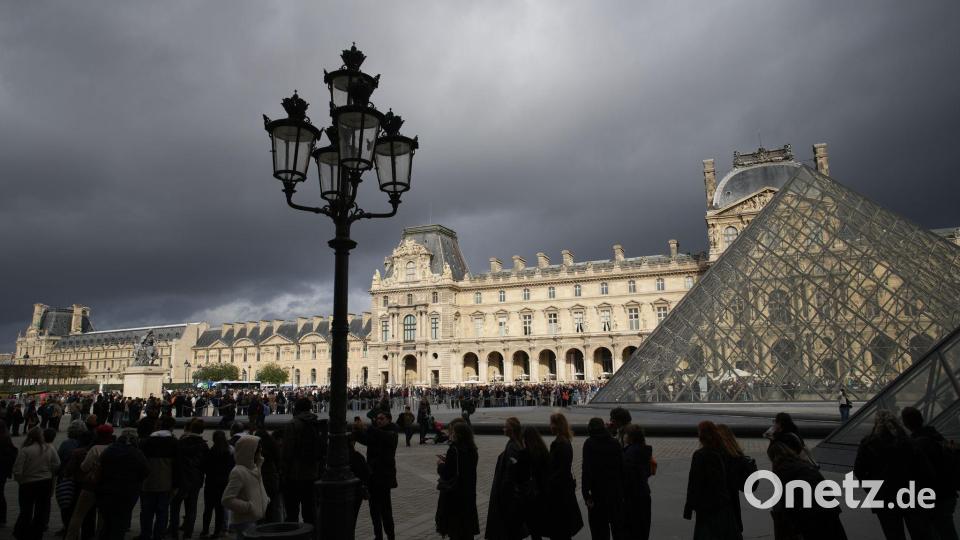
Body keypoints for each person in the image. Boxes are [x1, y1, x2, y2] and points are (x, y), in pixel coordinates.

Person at [855, 410, 937, 540]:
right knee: (920, 533)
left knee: (893, 535)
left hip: (884, 498)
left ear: (876, 424)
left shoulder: (868, 444)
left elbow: (859, 472)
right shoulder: (909, 442)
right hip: (911, 495)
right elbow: (925, 470)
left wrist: (872, 490)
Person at [768, 434, 847, 539]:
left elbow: (789, 504)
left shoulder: (783, 471)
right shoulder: (803, 464)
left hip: (812, 517)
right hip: (828, 511)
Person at [901, 406, 959, 540]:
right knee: (947, 530)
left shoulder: (914, 445)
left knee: (933, 531)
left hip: (929, 495)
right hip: (948, 492)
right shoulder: (937, 437)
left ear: (906, 424)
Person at [683, 421, 740, 540]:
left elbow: (694, 483)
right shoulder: (723, 452)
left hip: (706, 506)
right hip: (723, 504)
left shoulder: (700, 455)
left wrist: (689, 508)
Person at [96, 429, 149, 540]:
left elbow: (100, 466)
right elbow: (145, 471)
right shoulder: (136, 453)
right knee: (120, 524)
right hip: (127, 492)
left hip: (107, 490)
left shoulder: (110, 450)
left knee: (107, 523)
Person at [356, 411, 399, 540]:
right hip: (372, 477)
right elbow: (366, 440)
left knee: (386, 510)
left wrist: (368, 428)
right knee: (373, 510)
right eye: (377, 419)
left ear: (389, 420)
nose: (378, 420)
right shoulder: (376, 432)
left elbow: (385, 436)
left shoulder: (392, 431)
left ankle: (391, 536)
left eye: (382, 418)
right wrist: (357, 432)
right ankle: (378, 536)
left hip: (384, 477)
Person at [281, 397, 324, 525]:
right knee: (310, 512)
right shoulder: (316, 422)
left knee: (292, 512)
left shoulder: (292, 424)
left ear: (297, 408)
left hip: (294, 474)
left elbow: (287, 451)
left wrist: (283, 471)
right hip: (312, 473)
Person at [435, 418, 480, 540]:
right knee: (466, 530)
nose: (450, 434)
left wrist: (440, 464)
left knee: (455, 530)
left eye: (452, 432)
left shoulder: (454, 449)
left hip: (454, 495)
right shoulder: (473, 449)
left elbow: (447, 473)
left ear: (458, 434)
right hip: (468, 493)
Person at [12, 427, 60, 539]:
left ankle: (22, 532)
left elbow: (17, 470)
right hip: (45, 482)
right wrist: (49, 472)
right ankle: (37, 533)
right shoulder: (49, 448)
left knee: (26, 510)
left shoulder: (25, 450)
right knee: (41, 511)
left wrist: (21, 481)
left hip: (28, 483)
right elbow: (57, 464)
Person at [582, 417, 624, 540]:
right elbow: (621, 468)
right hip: (614, 493)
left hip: (597, 494)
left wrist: (586, 494)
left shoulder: (589, 444)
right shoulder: (615, 443)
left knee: (599, 531)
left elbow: (586, 471)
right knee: (617, 528)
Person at [140, 414, 181, 540]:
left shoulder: (146, 442)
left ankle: (145, 534)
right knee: (162, 512)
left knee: (146, 511)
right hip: (165, 482)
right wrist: (176, 484)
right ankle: (159, 535)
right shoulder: (174, 443)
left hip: (147, 483)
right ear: (172, 428)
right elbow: (178, 466)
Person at [486, 417, 527, 540]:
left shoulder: (512, 447)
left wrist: (503, 494)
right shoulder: (517, 444)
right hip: (512, 497)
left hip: (508, 499)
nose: (503, 428)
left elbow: (511, 474)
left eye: (505, 426)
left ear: (511, 429)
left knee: (508, 531)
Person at [222, 435, 270, 540]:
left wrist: (265, 499)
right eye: (258, 449)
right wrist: (249, 507)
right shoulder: (238, 472)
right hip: (245, 520)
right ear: (250, 452)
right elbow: (227, 499)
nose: (261, 450)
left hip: (255, 517)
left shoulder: (255, 467)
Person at [544, 413, 583, 540]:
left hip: (559, 494)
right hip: (563, 492)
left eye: (552, 424)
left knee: (559, 530)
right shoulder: (565, 441)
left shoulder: (560, 444)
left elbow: (560, 470)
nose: (550, 426)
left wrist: (547, 483)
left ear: (557, 426)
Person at [169, 418, 209, 538]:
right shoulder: (204, 446)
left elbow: (175, 462)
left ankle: (173, 531)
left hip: (181, 479)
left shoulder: (181, 442)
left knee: (175, 507)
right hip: (196, 480)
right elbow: (206, 465)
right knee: (192, 507)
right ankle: (188, 533)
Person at [717, 424, 757, 538]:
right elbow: (748, 487)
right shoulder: (736, 458)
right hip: (731, 513)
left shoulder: (707, 456)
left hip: (713, 515)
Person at [622, 424, 653, 540]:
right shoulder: (646, 450)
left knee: (631, 531)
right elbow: (648, 472)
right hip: (644, 494)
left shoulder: (629, 454)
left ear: (630, 437)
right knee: (643, 531)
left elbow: (626, 478)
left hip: (632, 499)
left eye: (625, 434)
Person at [201, 430, 234, 539]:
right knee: (220, 510)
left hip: (211, 483)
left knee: (208, 509)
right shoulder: (228, 453)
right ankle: (217, 531)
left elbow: (205, 468)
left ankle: (205, 531)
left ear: (213, 439)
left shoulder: (210, 452)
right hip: (224, 484)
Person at [518, 426, 550, 540]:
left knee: (534, 531)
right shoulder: (544, 451)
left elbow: (519, 476)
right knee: (540, 528)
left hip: (530, 498)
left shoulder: (524, 454)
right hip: (543, 495)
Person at [0, 421, 18, 527]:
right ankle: (2, 518)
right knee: (1, 495)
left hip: (2, 471)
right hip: (3, 472)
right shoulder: (6, 439)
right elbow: (13, 455)